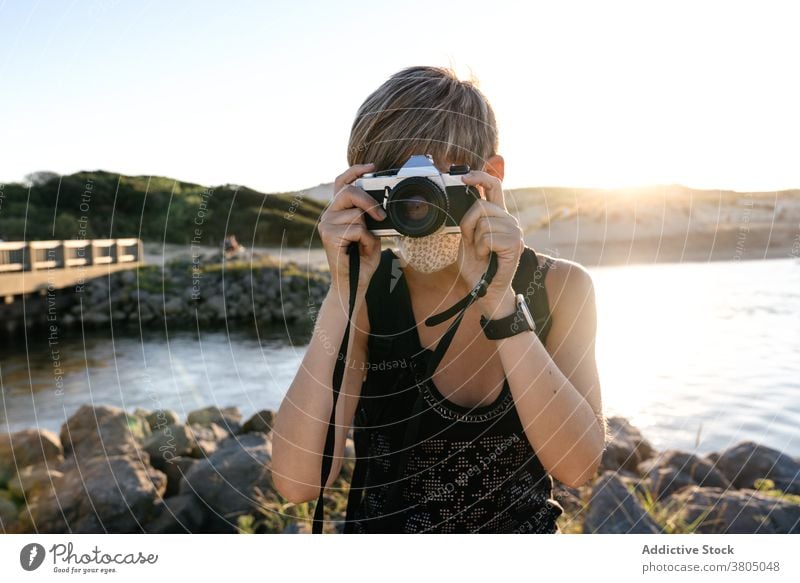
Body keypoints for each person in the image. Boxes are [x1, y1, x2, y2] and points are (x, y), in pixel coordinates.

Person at [272, 65, 606, 533]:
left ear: (489, 176)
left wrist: (500, 300)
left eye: (433, 179)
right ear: (362, 189)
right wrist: (344, 292)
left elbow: (578, 466)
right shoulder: (369, 293)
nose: (416, 203)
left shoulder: (558, 287)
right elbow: (297, 481)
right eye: (396, 179)